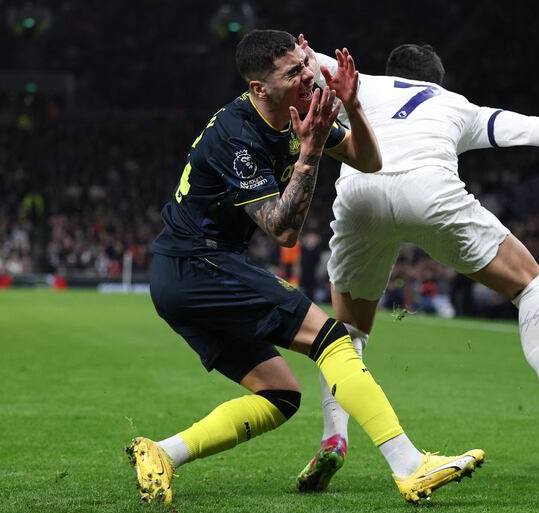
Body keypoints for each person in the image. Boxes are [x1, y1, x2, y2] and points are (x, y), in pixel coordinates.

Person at [126, 30, 483, 505]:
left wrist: (353, 105)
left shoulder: (302, 111)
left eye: (305, 63)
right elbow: (283, 231)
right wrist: (310, 151)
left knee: (280, 394)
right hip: (198, 263)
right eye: (293, 71)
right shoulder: (236, 135)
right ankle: (409, 464)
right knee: (332, 338)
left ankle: (163, 452)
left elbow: (369, 161)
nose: (308, 75)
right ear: (260, 88)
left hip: (189, 271)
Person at [296, 37, 539, 491]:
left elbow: (299, 58)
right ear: (437, 79)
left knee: (347, 332)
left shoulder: (364, 84)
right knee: (532, 287)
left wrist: (300, 50)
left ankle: (332, 438)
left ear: (393, 71)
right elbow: (531, 127)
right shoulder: (457, 104)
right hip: (428, 191)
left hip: (361, 194)